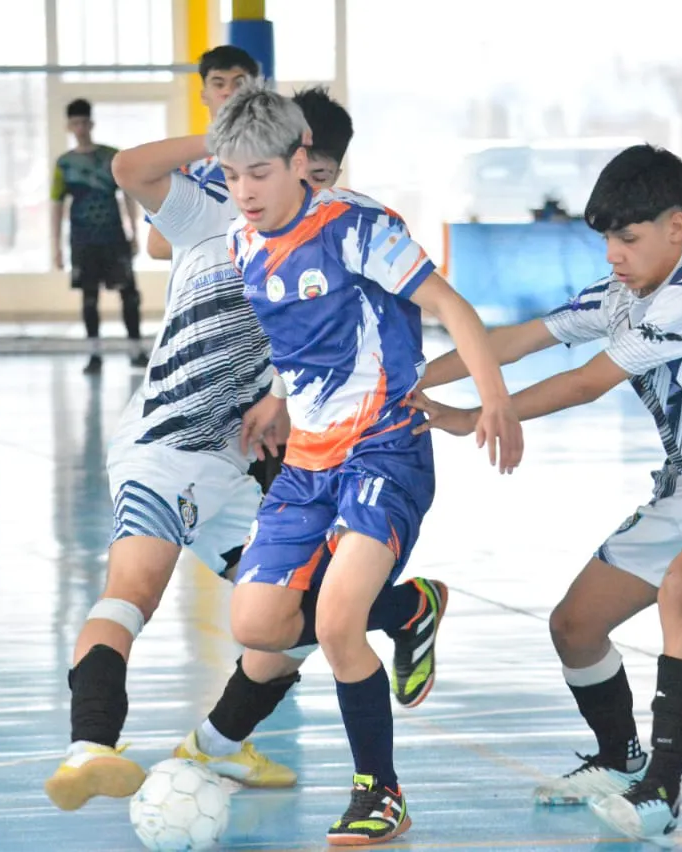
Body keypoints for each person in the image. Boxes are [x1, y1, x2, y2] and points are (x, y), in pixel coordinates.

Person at [43, 83, 449, 818]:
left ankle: (230, 738)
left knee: (291, 622)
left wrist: (286, 401)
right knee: (133, 589)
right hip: (163, 449)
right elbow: (130, 167)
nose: (294, 191)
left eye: (321, 178)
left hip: (236, 469)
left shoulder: (333, 235)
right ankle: (90, 745)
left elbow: (332, 346)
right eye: (247, 169)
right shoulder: (217, 214)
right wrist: (225, 146)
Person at [408, 144, 682, 844]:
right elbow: (518, 339)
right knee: (575, 628)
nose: (614, 254)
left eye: (628, 238)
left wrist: (478, 415)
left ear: (676, 228)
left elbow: (587, 382)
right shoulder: (627, 289)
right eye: (606, 240)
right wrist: (412, 384)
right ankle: (621, 759)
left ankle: (662, 790)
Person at [213, 85, 522, 845]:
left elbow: (453, 308)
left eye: (259, 173)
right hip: (307, 462)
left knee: (337, 620)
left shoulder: (358, 229)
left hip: (386, 446)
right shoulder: (241, 242)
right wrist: (282, 396)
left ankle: (379, 791)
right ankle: (409, 607)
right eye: (230, 176)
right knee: (259, 624)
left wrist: (494, 400)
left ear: (299, 163)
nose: (244, 191)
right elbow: (312, 335)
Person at [51, 98, 147, 373]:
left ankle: (135, 349)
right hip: (83, 239)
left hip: (113, 236)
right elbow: (57, 206)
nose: (81, 127)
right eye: (75, 123)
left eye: (84, 122)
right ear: (69, 126)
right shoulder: (64, 165)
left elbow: (128, 195)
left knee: (129, 294)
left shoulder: (111, 157)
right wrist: (55, 246)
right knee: (89, 297)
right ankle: (94, 354)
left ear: (91, 123)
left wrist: (134, 232)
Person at [143, 45, 262, 263]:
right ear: (204, 95)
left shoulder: (278, 157)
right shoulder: (185, 167)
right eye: (218, 83)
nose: (227, 91)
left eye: (239, 83)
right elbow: (157, 245)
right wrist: (225, 245)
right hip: (203, 289)